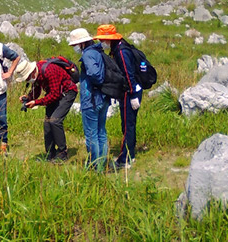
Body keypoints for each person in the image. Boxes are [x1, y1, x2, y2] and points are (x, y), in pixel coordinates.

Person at [94, 24, 142, 169]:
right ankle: (130, 154)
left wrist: (133, 94)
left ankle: (125, 160)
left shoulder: (121, 51)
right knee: (128, 124)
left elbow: (128, 74)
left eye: (103, 39)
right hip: (129, 90)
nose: (101, 42)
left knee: (128, 125)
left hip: (130, 91)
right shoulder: (120, 47)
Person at [13, 59, 78, 162]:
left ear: (32, 72)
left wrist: (36, 102)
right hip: (55, 93)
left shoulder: (49, 71)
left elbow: (55, 95)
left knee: (55, 121)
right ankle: (50, 154)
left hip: (68, 92)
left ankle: (62, 153)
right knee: (47, 123)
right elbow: (37, 89)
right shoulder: (37, 74)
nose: (27, 80)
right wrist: (28, 98)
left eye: (27, 78)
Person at [68, 28, 111, 171]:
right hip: (103, 98)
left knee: (92, 135)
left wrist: (94, 86)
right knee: (101, 132)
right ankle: (102, 163)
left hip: (91, 99)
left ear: (81, 43)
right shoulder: (98, 51)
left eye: (75, 45)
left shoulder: (87, 55)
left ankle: (94, 166)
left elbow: (94, 74)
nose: (74, 47)